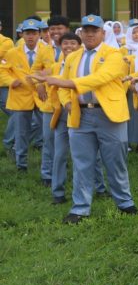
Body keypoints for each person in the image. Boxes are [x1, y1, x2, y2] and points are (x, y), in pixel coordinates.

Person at [34, 15, 138, 223]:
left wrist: (65, 83)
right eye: (86, 30)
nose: (90, 34)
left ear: (103, 33)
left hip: (109, 115)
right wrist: (67, 102)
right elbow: (62, 85)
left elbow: (99, 79)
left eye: (94, 30)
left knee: (115, 161)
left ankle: (125, 203)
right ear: (80, 33)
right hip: (80, 115)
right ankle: (80, 208)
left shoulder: (114, 54)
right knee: (81, 163)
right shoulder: (72, 57)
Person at [1, 18, 53, 174]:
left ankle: (48, 163)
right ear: (22, 34)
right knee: (21, 131)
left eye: (34, 33)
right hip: (20, 96)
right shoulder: (12, 52)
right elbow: (2, 70)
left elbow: (51, 69)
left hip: (42, 95)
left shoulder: (46, 50)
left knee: (46, 129)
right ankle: (21, 164)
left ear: (39, 34)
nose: (30, 37)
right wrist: (11, 81)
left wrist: (40, 84)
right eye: (27, 33)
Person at [47, 32, 82, 204]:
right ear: (60, 46)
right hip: (62, 114)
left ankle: (99, 187)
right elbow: (54, 86)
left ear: (79, 46)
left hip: (81, 113)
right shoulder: (56, 66)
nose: (69, 46)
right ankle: (58, 192)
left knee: (86, 154)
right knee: (60, 154)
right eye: (65, 43)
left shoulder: (84, 64)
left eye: (73, 43)